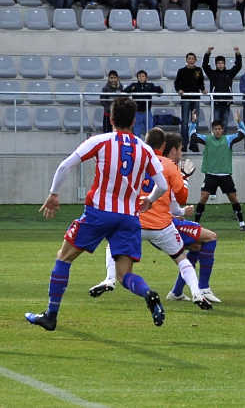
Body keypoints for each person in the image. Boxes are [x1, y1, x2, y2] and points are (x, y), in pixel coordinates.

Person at [25, 97, 168, 331]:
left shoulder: (101, 141)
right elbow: (161, 185)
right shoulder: (145, 149)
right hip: (128, 217)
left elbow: (65, 166)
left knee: (64, 257)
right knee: (124, 275)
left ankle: (50, 316)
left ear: (111, 119)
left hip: (99, 213)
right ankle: (147, 293)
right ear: (133, 121)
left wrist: (54, 194)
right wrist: (149, 201)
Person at [88, 129, 213, 310]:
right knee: (182, 259)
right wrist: (184, 179)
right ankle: (196, 293)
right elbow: (180, 197)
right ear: (164, 146)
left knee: (112, 245)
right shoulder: (169, 166)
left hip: (135, 222)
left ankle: (110, 279)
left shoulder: (135, 161)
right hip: (162, 226)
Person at [191, 111, 245, 231]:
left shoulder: (228, 140)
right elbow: (193, 136)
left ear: (223, 130)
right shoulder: (207, 139)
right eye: (215, 129)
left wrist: (240, 122)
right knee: (203, 198)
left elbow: (243, 134)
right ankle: (195, 224)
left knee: (233, 199)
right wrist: (193, 122)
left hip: (225, 175)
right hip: (211, 175)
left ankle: (242, 224)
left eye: (219, 128)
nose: (217, 131)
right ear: (212, 130)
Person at [202, 46, 242, 132]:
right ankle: (215, 144)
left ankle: (224, 145)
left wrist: (237, 54)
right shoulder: (212, 74)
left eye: (222, 63)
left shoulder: (229, 73)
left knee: (225, 126)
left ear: (225, 64)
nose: (220, 65)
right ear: (216, 64)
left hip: (226, 103)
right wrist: (208, 53)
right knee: (215, 126)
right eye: (218, 63)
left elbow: (238, 66)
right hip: (216, 103)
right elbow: (205, 66)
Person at [174, 52, 208, 151]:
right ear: (186, 60)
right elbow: (176, 83)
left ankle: (194, 143)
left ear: (195, 60)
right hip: (185, 99)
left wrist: (203, 90)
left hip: (195, 98)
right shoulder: (181, 71)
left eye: (192, 58)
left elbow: (201, 83)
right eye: (189, 58)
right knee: (184, 122)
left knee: (195, 121)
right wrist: (179, 90)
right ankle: (184, 143)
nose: (191, 60)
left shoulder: (198, 70)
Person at [123, 70, 164, 138]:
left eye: (143, 76)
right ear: (137, 78)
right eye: (140, 76)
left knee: (150, 132)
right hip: (137, 113)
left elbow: (159, 92)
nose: (141, 78)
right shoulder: (134, 85)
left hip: (147, 112)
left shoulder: (150, 86)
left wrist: (160, 88)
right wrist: (130, 89)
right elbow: (124, 93)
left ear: (146, 78)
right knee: (137, 132)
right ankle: (137, 147)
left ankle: (149, 147)